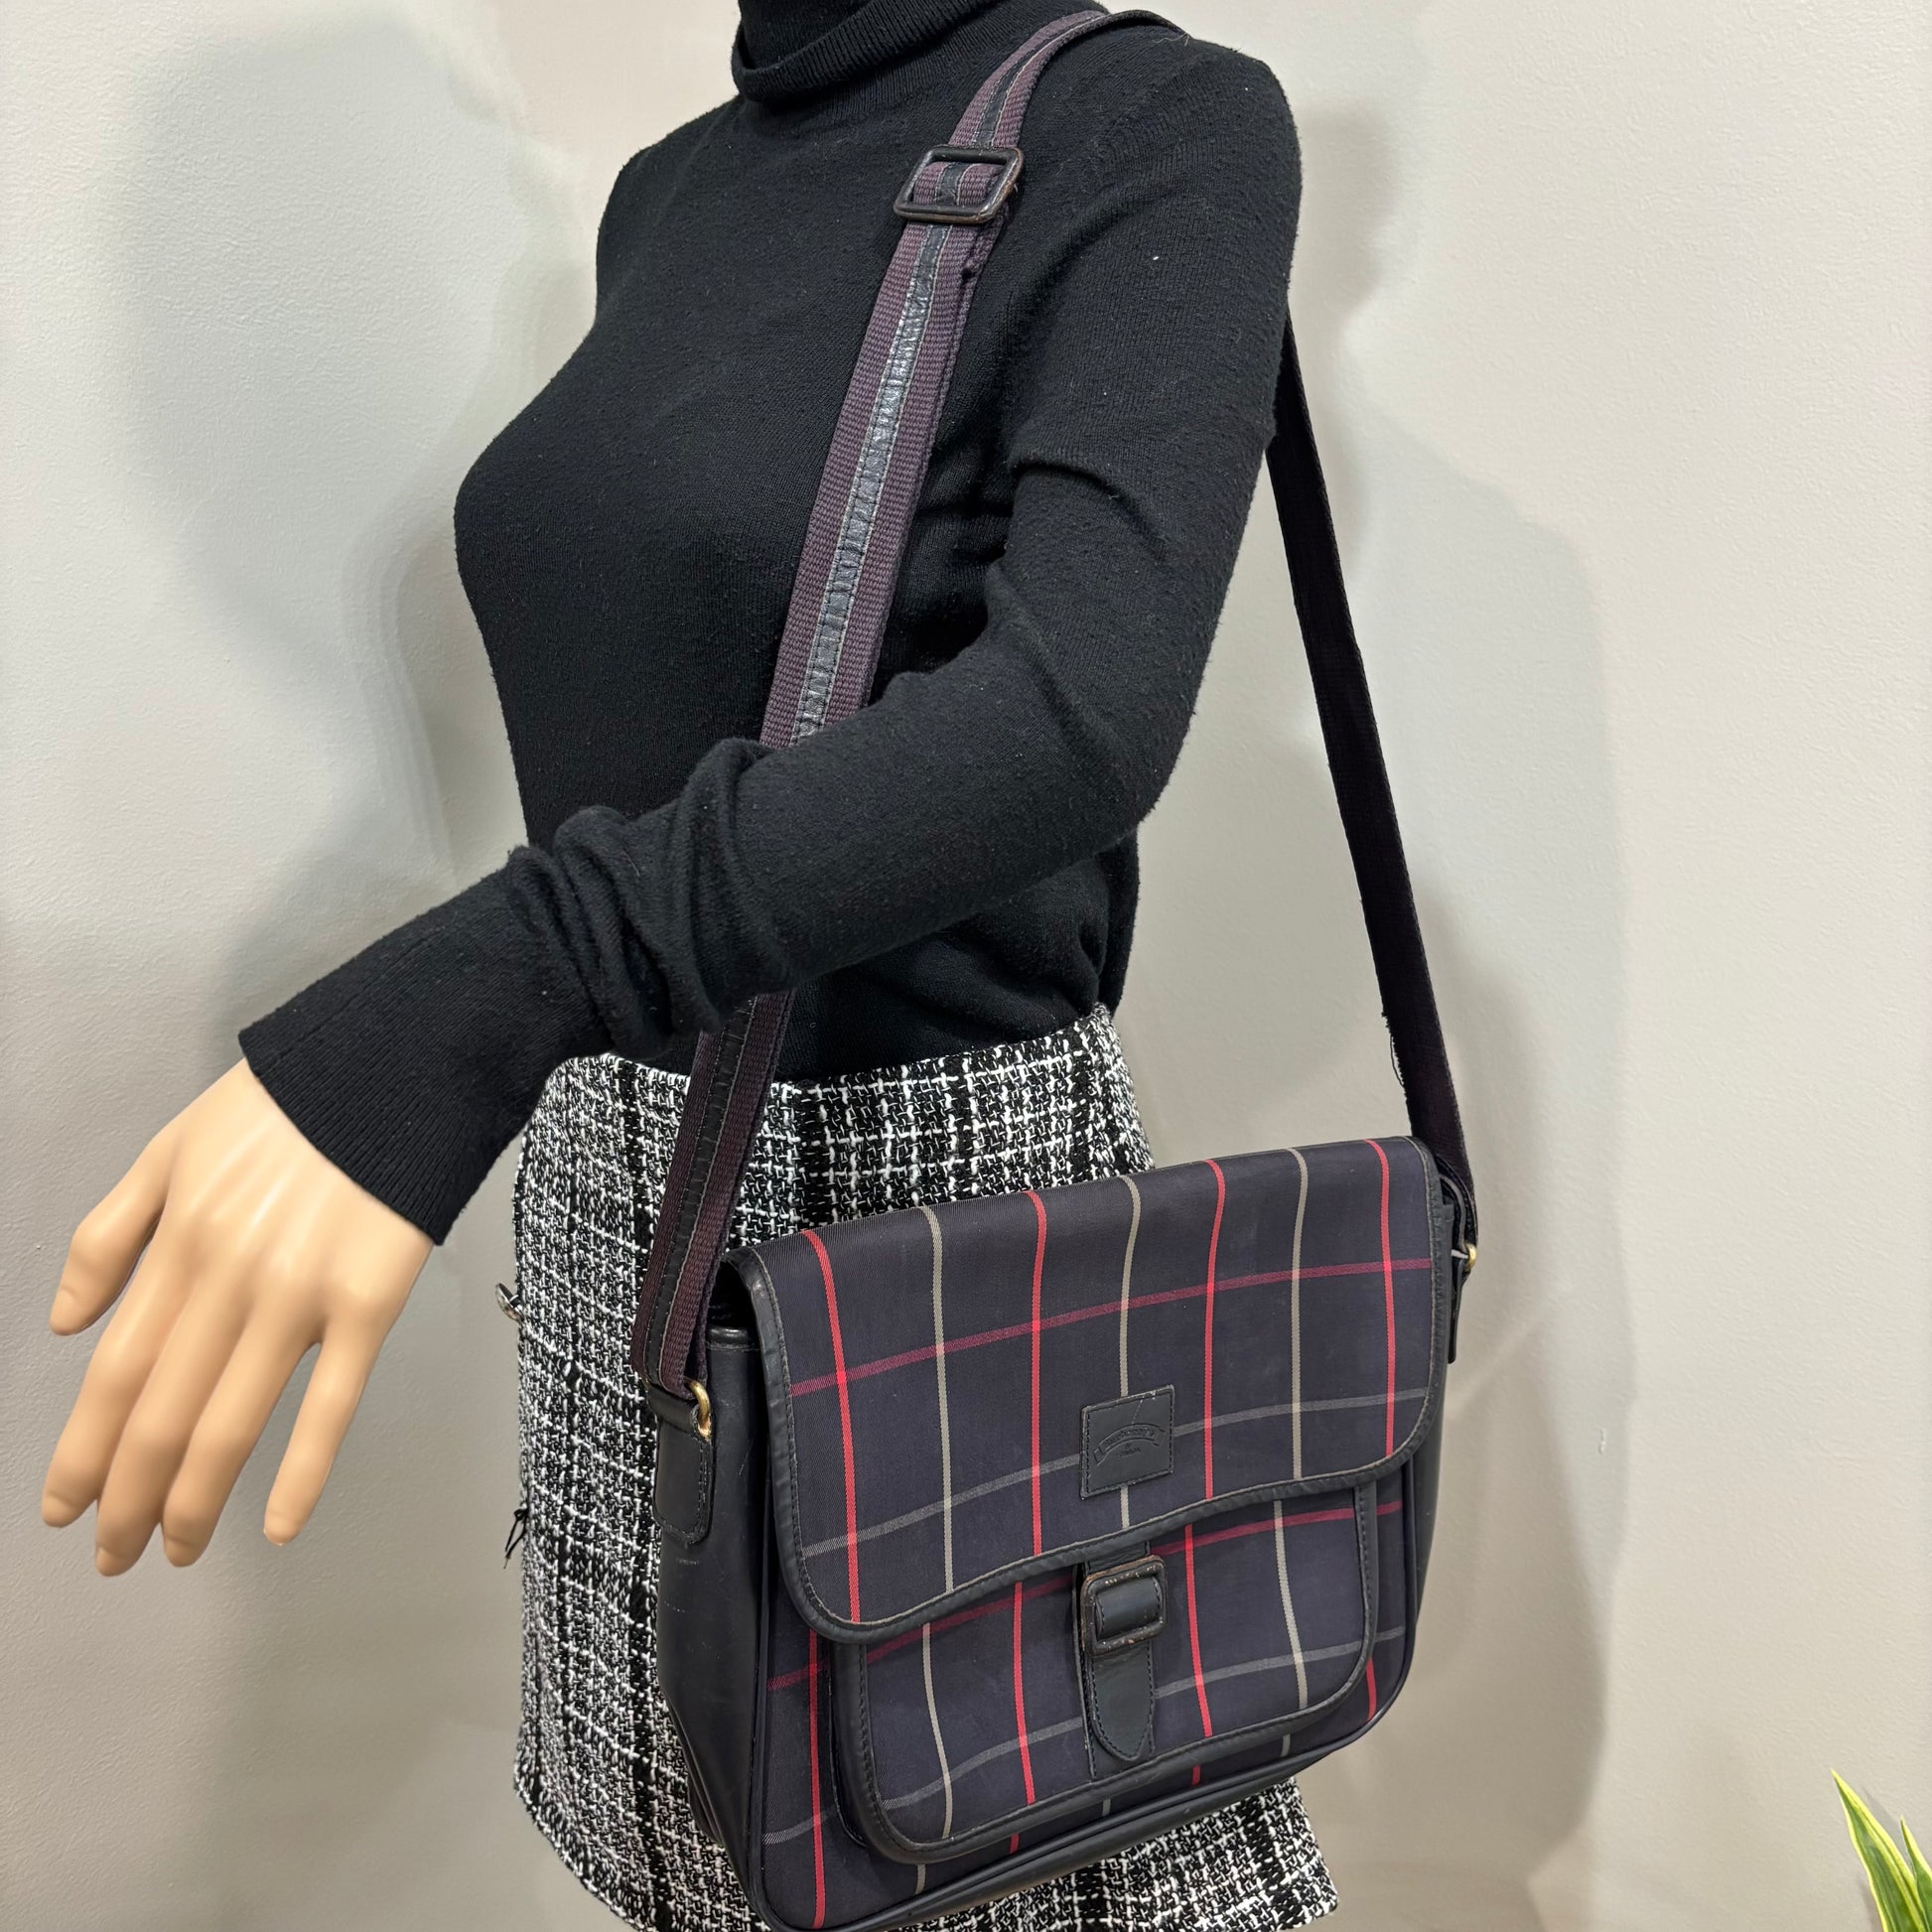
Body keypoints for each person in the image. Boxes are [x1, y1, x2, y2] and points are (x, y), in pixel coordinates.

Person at [42, 0, 1338, 1923]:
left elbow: (1071, 716)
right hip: (617, 1197)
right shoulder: (666, 194)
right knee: (686, 1862)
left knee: (979, 1853)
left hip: (913, 1219)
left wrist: (492, 981)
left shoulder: (1153, 122)